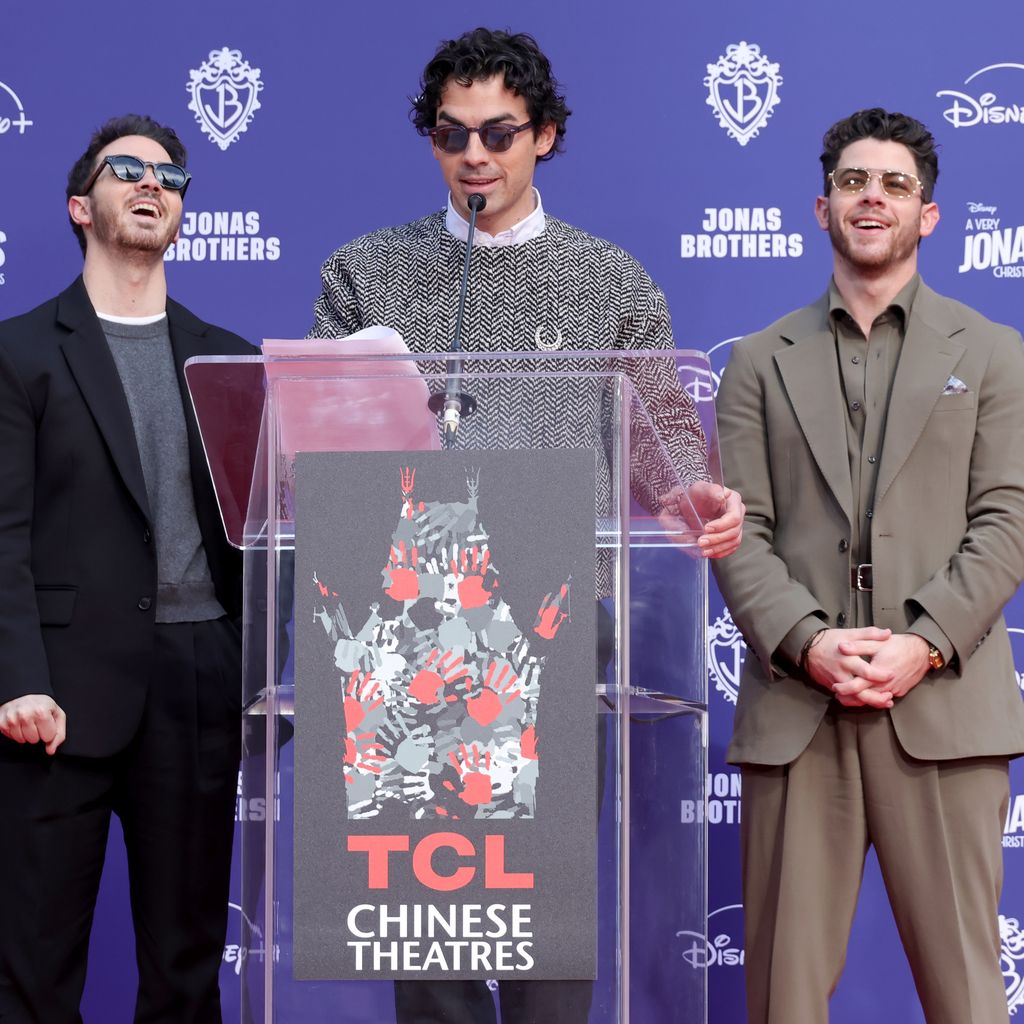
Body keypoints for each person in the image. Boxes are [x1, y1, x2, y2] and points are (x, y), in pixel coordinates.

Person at [308, 26, 743, 1024]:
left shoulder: (608, 277)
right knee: (431, 921)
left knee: (544, 904)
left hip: (555, 604)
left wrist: (689, 488)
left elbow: (659, 428)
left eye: (499, 133)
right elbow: (312, 432)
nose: (475, 155)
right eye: (452, 133)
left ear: (543, 135)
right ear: (430, 140)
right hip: (404, 615)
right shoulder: (363, 271)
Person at [713, 107, 1024, 1024]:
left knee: (968, 995)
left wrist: (922, 644)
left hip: (943, 709)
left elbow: (1006, 520)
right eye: (854, 182)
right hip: (798, 710)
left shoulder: (997, 354)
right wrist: (807, 644)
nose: (872, 198)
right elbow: (741, 533)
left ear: (929, 215)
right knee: (782, 999)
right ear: (821, 208)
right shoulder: (758, 363)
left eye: (894, 185)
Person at [0, 114, 252, 1023]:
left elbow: (266, 533)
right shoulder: (20, 352)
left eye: (171, 175)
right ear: (81, 205)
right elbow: (3, 532)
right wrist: (18, 680)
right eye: (128, 170)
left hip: (197, 682)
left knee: (187, 972)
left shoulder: (233, 359)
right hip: (55, 702)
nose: (154, 184)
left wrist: (251, 671)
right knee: (32, 966)